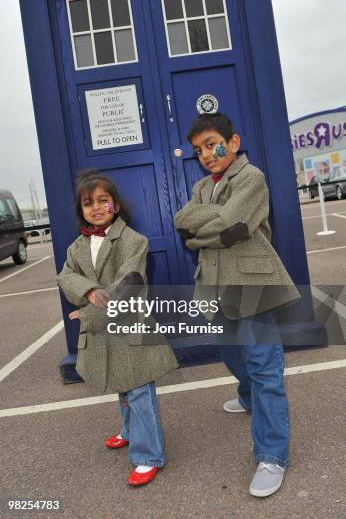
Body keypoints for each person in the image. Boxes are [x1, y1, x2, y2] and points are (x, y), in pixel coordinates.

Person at [174, 113, 300, 498]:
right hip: (214, 287)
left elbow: (234, 223)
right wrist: (203, 231)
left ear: (232, 142)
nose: (205, 155)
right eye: (197, 150)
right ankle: (247, 397)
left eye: (211, 144)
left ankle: (272, 454)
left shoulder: (251, 178)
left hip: (252, 285)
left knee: (265, 368)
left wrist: (199, 235)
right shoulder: (200, 187)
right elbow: (182, 222)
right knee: (230, 354)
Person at [57, 169, 178, 487]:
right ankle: (128, 431)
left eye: (103, 201)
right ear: (80, 209)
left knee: (138, 389)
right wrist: (88, 291)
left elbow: (128, 285)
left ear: (116, 205)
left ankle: (149, 455)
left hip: (130, 328)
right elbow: (65, 276)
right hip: (106, 333)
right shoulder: (76, 247)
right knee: (120, 385)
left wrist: (89, 315)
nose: (95, 207)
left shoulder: (133, 241)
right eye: (87, 203)